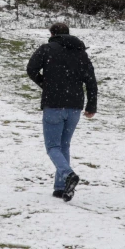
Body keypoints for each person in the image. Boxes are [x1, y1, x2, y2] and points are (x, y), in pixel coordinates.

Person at [26, 21, 98, 202]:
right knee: (64, 145)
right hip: (74, 106)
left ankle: (68, 175)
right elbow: (91, 80)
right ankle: (60, 188)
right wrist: (91, 106)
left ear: (52, 35)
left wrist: (45, 84)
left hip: (54, 104)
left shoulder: (47, 49)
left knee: (52, 147)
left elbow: (31, 69)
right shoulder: (81, 53)